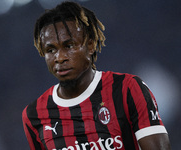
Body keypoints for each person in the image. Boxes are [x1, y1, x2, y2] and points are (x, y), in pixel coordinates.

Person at [22, 1, 171, 150]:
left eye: (69, 46)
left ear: (91, 45)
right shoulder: (34, 115)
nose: (60, 57)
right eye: (50, 50)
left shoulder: (127, 89)